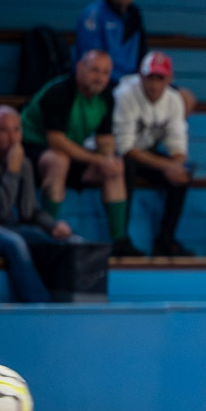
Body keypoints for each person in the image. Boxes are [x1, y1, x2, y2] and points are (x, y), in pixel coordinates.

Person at [0, 106, 80, 303]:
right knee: (15, 243)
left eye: (16, 130)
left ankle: (67, 300)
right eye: (4, 130)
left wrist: (53, 227)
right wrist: (12, 171)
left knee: (60, 241)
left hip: (7, 226)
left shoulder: (21, 161)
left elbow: (30, 211)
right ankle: (41, 305)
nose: (12, 138)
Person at [21, 49, 141, 257]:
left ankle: (120, 241)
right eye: (95, 70)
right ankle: (47, 234)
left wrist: (107, 160)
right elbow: (56, 141)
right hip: (32, 150)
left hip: (70, 152)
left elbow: (105, 140)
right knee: (58, 160)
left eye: (105, 72)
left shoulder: (106, 97)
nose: (100, 77)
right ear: (79, 68)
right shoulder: (59, 91)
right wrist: (98, 159)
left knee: (115, 166)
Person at [75, 0, 196, 111]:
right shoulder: (93, 15)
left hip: (134, 81)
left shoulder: (135, 15)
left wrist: (150, 80)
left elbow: (143, 58)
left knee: (185, 98)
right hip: (107, 83)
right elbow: (92, 65)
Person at [113, 51, 194, 257]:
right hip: (116, 154)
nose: (154, 84)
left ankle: (165, 242)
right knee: (125, 167)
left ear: (170, 79)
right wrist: (168, 165)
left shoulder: (174, 99)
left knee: (183, 175)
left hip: (145, 154)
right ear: (141, 76)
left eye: (160, 78)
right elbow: (126, 148)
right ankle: (121, 240)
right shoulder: (125, 94)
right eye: (150, 77)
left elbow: (178, 145)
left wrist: (176, 165)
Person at [76, 0, 149, 82]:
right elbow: (92, 63)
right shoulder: (93, 15)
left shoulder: (135, 15)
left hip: (131, 82)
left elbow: (142, 56)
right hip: (103, 82)